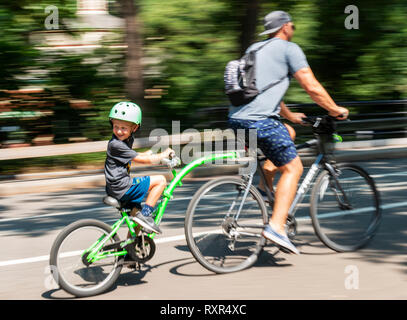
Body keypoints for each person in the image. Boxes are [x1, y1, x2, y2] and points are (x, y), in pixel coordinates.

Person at [228, 11, 349, 254]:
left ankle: (264, 188)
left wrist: (292, 117)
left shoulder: (254, 48)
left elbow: (257, 90)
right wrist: (335, 110)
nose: (293, 29)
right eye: (292, 25)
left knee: (288, 132)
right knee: (294, 168)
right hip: (260, 122)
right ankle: (276, 226)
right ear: (285, 27)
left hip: (236, 119)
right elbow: (311, 86)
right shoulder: (289, 49)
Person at [104, 101, 174, 234]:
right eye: (116, 126)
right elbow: (144, 161)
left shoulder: (122, 141)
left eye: (124, 128)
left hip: (115, 187)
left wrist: (145, 153)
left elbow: (132, 155)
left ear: (134, 128)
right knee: (161, 180)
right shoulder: (116, 144)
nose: (119, 131)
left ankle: (130, 250)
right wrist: (163, 154)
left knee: (137, 216)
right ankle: (147, 216)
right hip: (122, 187)